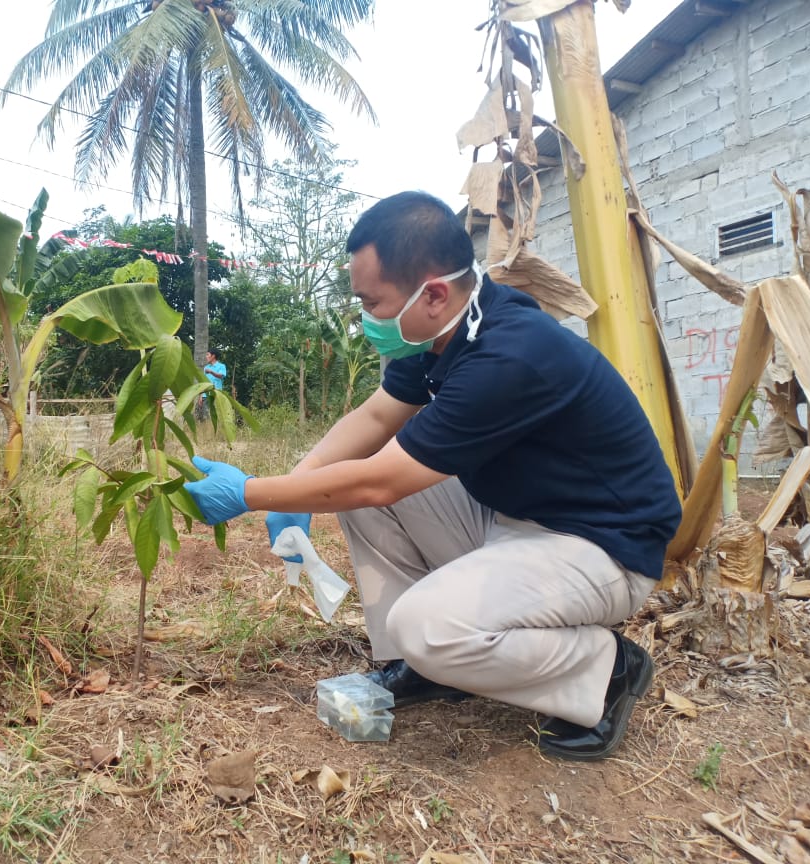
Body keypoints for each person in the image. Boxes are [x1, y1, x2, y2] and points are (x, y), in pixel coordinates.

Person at [184, 191, 682, 762]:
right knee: (360, 493)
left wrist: (249, 492)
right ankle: (421, 665)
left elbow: (382, 480)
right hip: (516, 522)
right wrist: (299, 481)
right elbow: (374, 418)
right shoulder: (445, 332)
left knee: (423, 610)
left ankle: (606, 669)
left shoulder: (509, 355)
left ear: (434, 293)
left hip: (600, 549)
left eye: (372, 302)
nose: (366, 317)